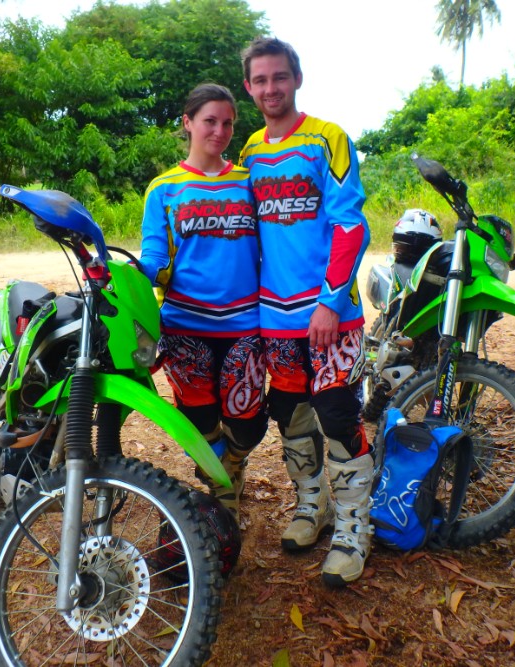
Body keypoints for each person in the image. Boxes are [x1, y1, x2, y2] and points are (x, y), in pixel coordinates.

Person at [239, 37, 373, 587]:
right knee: (290, 416)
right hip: (275, 316)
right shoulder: (249, 152)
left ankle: (353, 528)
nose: (271, 88)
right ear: (249, 87)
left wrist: (329, 301)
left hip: (329, 314)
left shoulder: (327, 138)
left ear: (297, 78)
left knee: (338, 416)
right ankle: (312, 505)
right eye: (260, 80)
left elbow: (351, 225)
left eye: (279, 77)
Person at [138, 83, 267, 520]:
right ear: (188, 122)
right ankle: (222, 491)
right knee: (199, 422)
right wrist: (132, 273)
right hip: (184, 326)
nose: (219, 131)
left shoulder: (248, 182)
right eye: (210, 120)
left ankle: (229, 466)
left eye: (227, 122)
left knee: (248, 423)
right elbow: (155, 255)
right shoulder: (163, 188)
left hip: (245, 324)